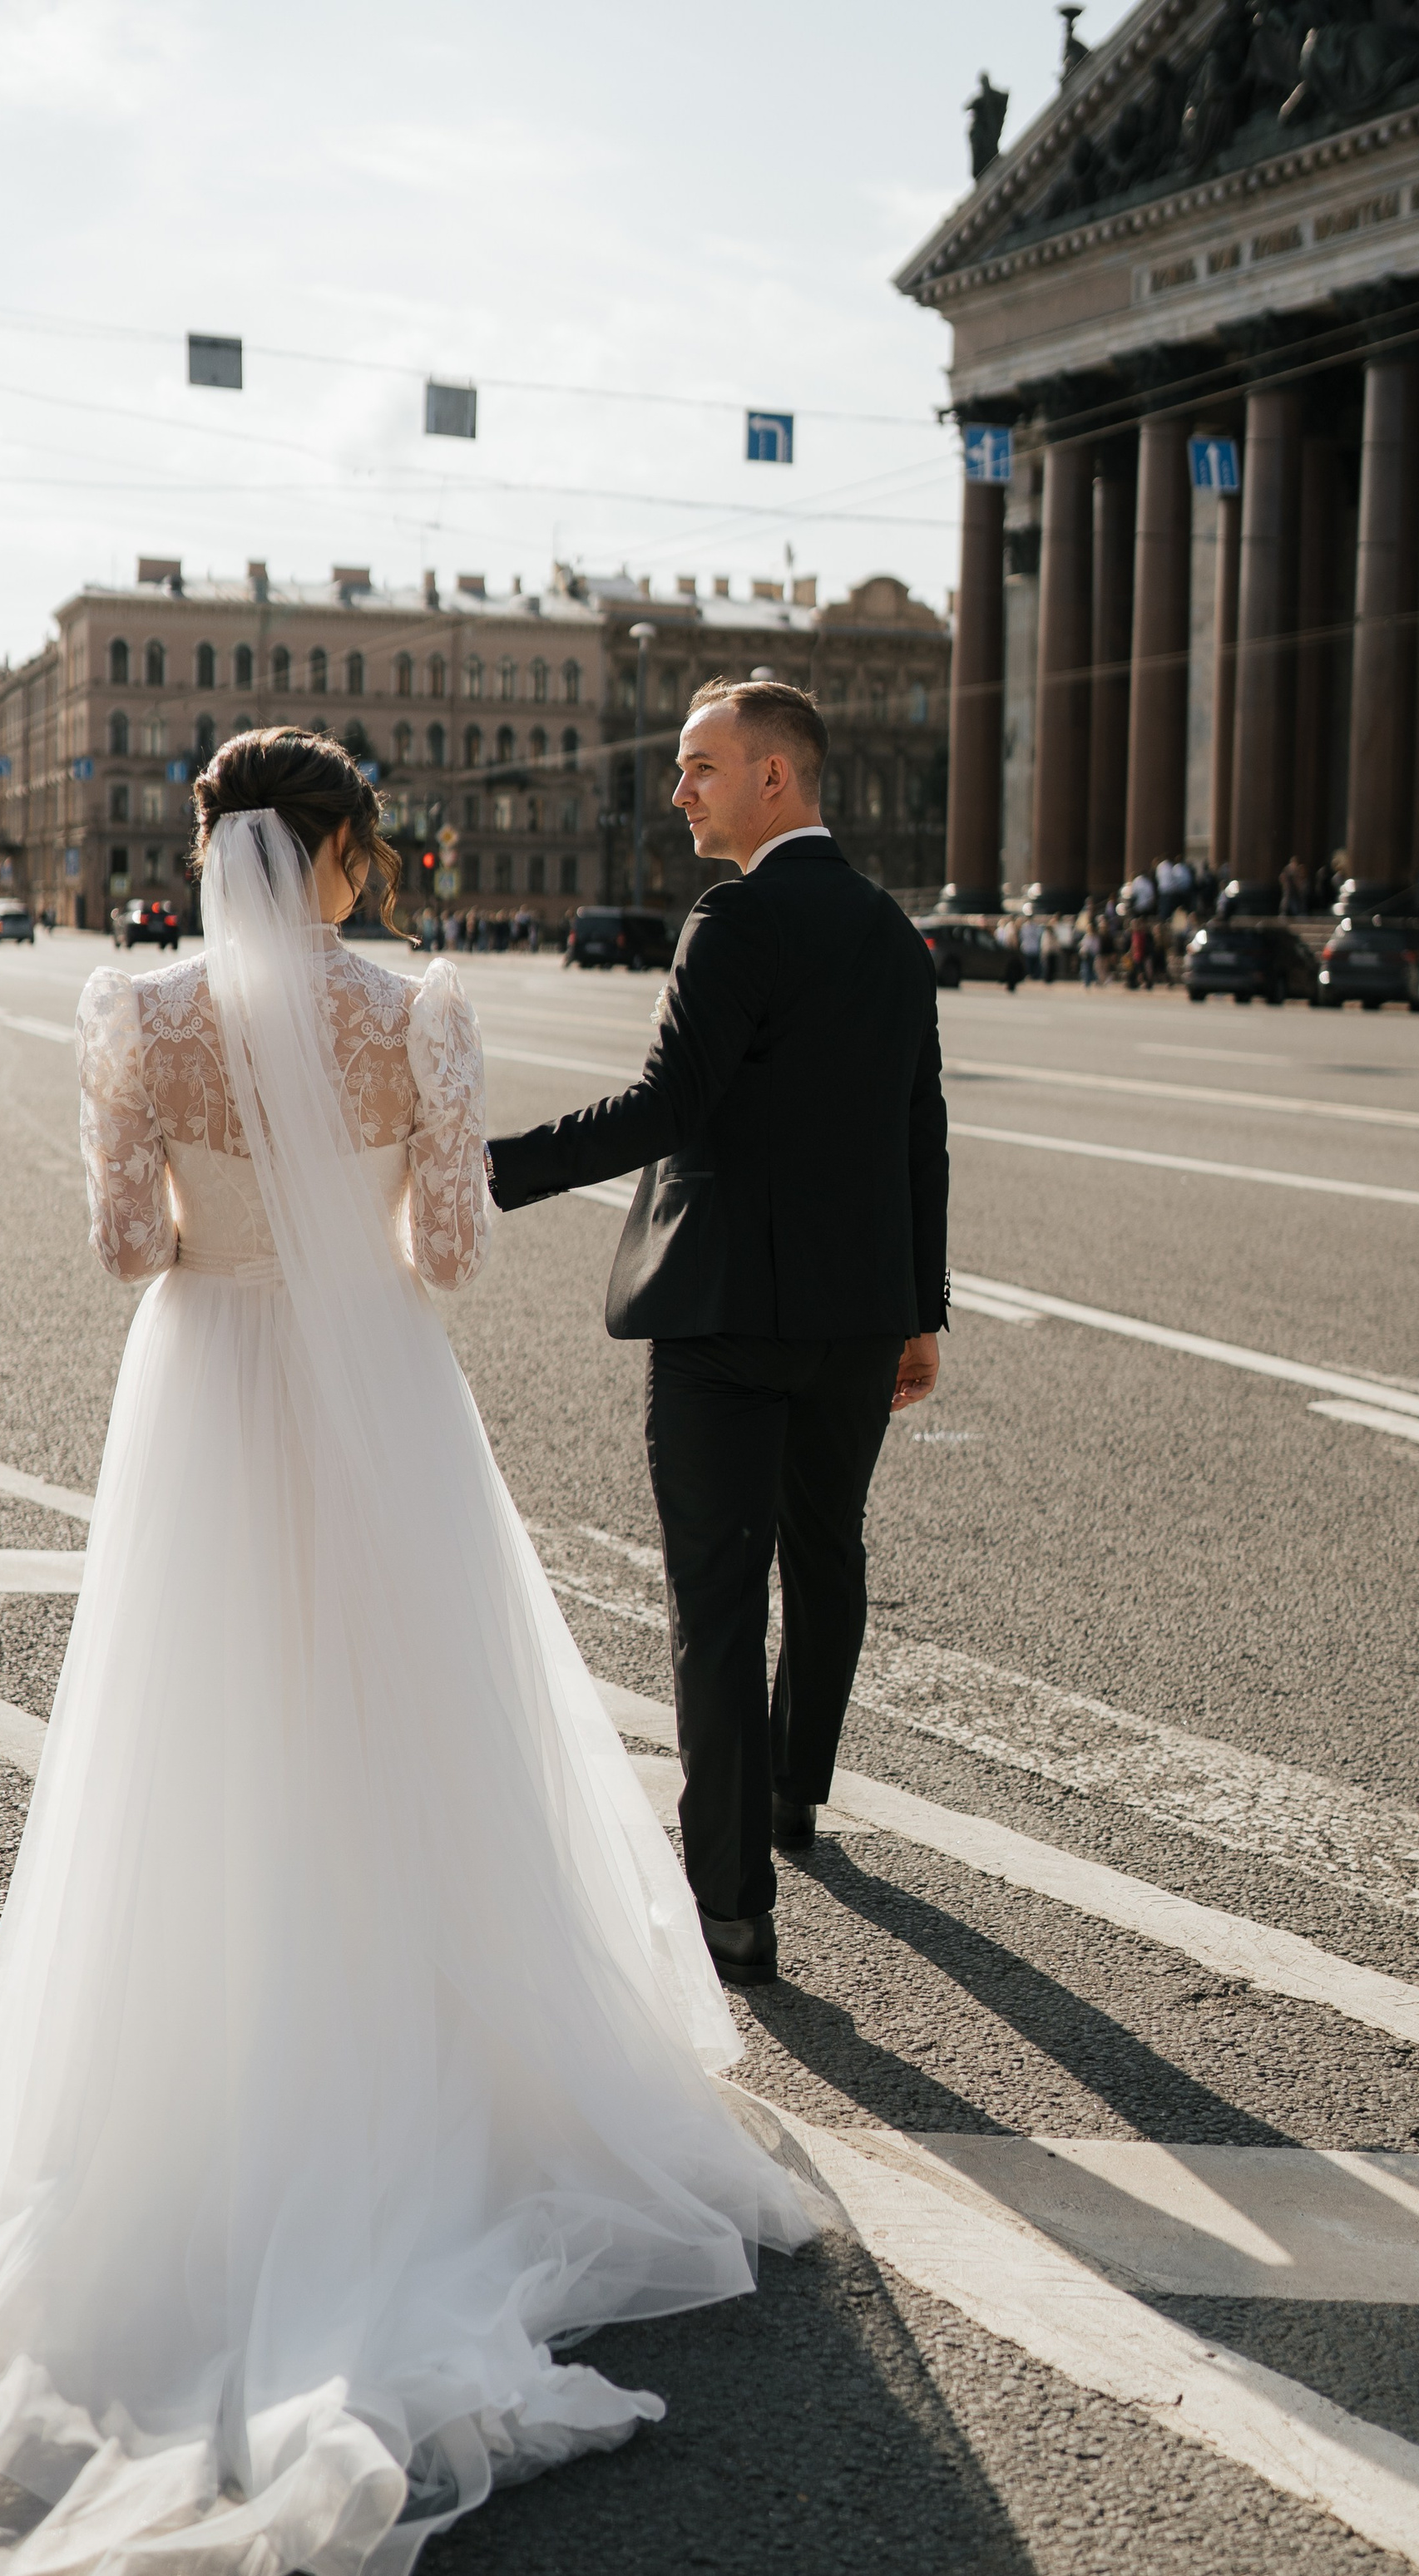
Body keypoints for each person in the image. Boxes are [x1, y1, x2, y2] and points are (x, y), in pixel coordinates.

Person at [0, 728, 813, 2576]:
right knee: (407, 1739)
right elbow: (443, 1250)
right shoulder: (419, 1013)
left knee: (197, 1750)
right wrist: (348, 1215)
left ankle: (201, 2102)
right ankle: (434, 2075)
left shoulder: (134, 1008)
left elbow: (130, 1244)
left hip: (204, 1397)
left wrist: (228, 1219)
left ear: (210, 845)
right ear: (352, 852)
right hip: (375, 1399)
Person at [484, 679, 947, 1991]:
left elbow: (667, 1106)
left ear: (775, 782)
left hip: (727, 1315)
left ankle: (733, 1907)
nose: (679, 789)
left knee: (718, 1604)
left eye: (700, 768)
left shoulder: (734, 917)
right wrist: (923, 1310)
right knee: (829, 1553)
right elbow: (922, 1128)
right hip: (859, 1317)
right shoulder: (886, 928)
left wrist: (486, 1172)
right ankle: (798, 1793)